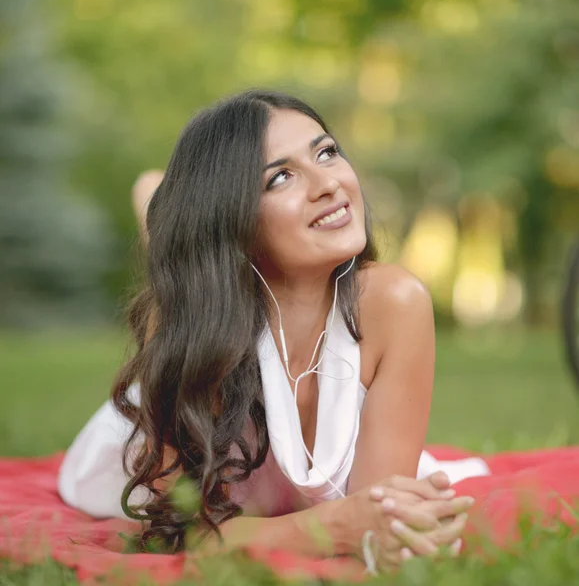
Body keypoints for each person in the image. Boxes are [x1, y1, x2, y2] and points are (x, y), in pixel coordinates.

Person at [58, 90, 491, 573]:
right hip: (190, 346)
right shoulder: (187, 328)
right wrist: (337, 525)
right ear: (231, 219)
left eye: (326, 152)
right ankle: (154, 205)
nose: (328, 183)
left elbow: (375, 516)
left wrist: (385, 527)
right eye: (281, 177)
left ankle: (157, 202)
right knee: (176, 280)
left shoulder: (396, 301)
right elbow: (186, 532)